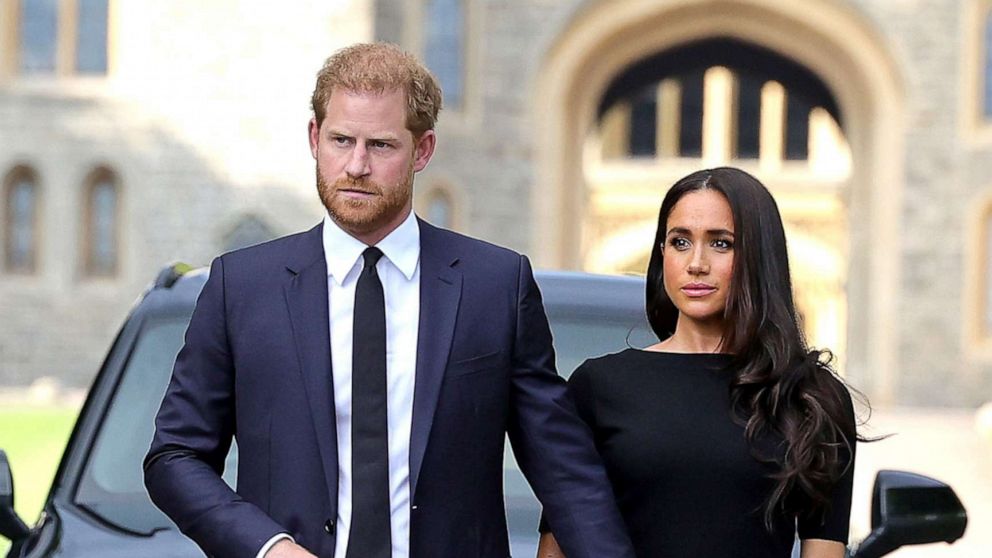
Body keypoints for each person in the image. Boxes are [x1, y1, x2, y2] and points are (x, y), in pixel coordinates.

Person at [143, 43, 634, 558]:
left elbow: (566, 472)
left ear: (422, 150)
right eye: (340, 140)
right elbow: (175, 456)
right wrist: (268, 548)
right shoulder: (240, 286)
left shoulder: (496, 286)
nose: (355, 166)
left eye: (380, 146)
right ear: (315, 138)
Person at [537, 167, 858, 558]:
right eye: (680, 242)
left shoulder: (811, 397)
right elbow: (557, 547)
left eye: (721, 243)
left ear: (759, 256)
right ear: (662, 253)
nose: (696, 263)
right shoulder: (598, 386)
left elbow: (823, 548)